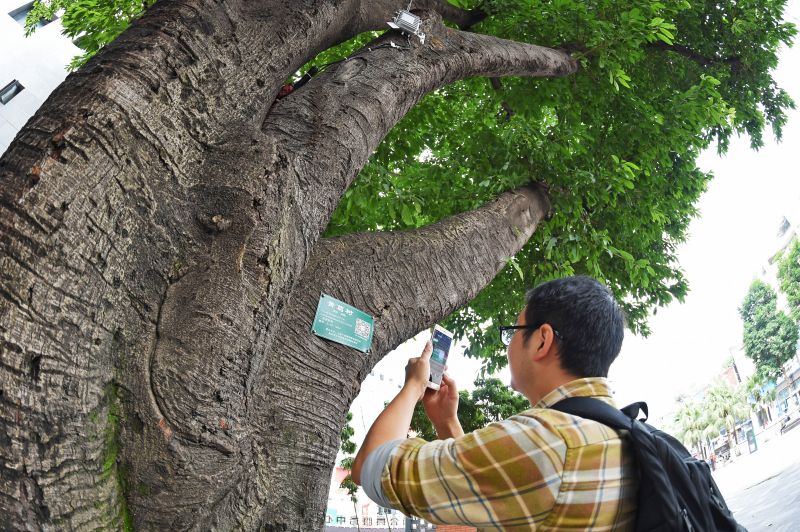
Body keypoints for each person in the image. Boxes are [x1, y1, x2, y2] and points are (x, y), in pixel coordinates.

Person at [352, 275, 638, 529]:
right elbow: (483, 498)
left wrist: (413, 386)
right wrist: (447, 421)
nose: (510, 342)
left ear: (542, 340)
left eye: (514, 330)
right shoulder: (623, 435)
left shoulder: (545, 441)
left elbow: (370, 467)